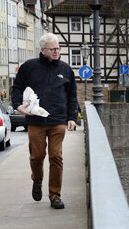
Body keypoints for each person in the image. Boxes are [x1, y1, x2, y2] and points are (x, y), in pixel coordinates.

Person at [12, 32, 79, 209]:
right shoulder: (29, 67)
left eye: (58, 48)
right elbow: (17, 88)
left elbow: (72, 95)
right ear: (43, 50)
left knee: (56, 156)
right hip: (35, 121)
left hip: (58, 120)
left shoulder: (65, 70)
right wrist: (18, 106)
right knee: (37, 156)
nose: (56, 51)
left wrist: (72, 117)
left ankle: (55, 195)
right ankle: (37, 180)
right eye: (53, 49)